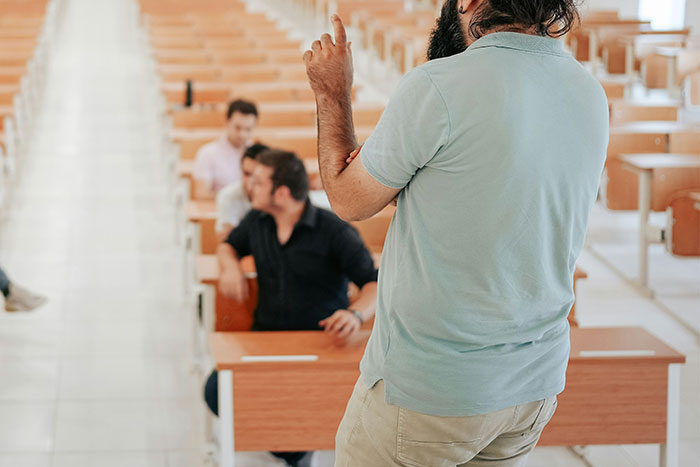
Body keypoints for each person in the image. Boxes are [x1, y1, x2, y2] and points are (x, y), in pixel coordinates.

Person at [303, 0, 609, 465]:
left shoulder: (437, 86)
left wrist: (331, 91)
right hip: (532, 386)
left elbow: (348, 199)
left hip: (434, 392)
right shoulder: (589, 92)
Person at [205, 149, 378, 467]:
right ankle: (290, 446)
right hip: (266, 340)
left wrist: (356, 314)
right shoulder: (257, 221)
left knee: (317, 400)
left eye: (257, 182)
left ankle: (296, 443)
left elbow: (374, 284)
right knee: (216, 390)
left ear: (281, 193)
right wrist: (229, 267)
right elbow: (229, 245)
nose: (249, 187)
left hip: (323, 344)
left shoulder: (334, 231)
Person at [192, 99, 258, 200]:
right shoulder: (207, 153)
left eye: (248, 129)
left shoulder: (260, 155)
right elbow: (201, 194)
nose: (242, 135)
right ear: (227, 122)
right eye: (238, 128)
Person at [215, 143, 269, 241]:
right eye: (246, 174)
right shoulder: (228, 195)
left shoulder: (278, 197)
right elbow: (226, 240)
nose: (249, 182)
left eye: (256, 176)